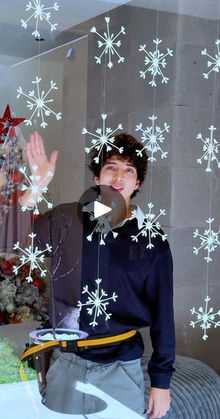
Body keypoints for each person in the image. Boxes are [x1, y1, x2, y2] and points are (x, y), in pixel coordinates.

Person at [20, 131, 175, 418]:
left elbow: (163, 313)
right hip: (65, 364)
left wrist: (161, 383)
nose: (118, 177)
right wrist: (34, 187)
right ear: (96, 178)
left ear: (137, 182)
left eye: (128, 170)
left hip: (121, 371)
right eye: (110, 167)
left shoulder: (151, 240)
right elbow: (14, 242)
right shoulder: (67, 220)